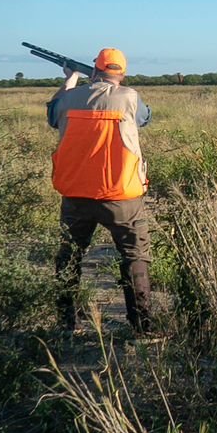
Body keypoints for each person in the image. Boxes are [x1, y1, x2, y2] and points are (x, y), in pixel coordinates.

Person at [47, 47, 155, 334]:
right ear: (122, 73)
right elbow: (145, 118)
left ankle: (68, 323)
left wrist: (70, 79)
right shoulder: (130, 97)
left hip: (76, 194)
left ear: (94, 70)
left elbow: (52, 114)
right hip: (122, 195)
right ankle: (143, 328)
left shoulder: (69, 98)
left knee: (70, 256)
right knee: (135, 257)